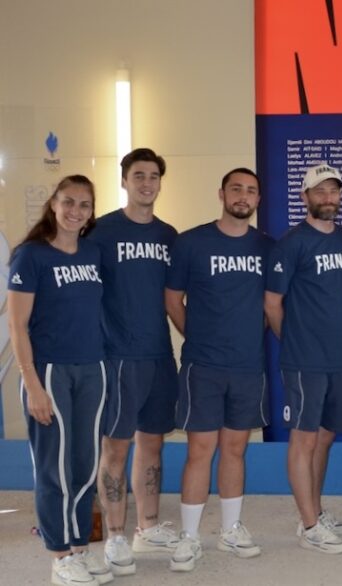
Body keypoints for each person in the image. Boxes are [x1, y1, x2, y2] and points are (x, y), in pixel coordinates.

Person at [164, 168, 274, 571]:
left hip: (247, 366)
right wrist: (199, 337)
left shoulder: (266, 246)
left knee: (235, 449)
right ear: (221, 194)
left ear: (258, 200)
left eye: (251, 191)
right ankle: (189, 537)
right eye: (236, 189)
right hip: (203, 367)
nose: (243, 196)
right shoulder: (192, 242)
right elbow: (173, 299)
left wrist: (246, 335)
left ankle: (230, 530)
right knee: (200, 450)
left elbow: (269, 304)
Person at [8, 175, 110, 585]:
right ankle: (59, 554)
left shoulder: (93, 253)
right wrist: (32, 384)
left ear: (91, 212)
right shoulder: (30, 256)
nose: (75, 211)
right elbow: (17, 326)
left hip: (92, 368)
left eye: (84, 205)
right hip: (48, 370)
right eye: (68, 202)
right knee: (55, 468)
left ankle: (79, 548)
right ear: (53, 203)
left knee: (85, 465)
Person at [87, 148, 180, 575]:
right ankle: (117, 536)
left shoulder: (169, 235)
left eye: (154, 176)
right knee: (116, 447)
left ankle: (147, 526)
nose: (147, 182)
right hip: (119, 357)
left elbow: (174, 297)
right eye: (138, 175)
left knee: (154, 443)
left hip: (160, 354)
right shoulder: (101, 232)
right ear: (124, 180)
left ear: (161, 182)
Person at [265, 163, 342, 554]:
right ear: (305, 197)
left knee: (326, 437)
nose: (328, 198)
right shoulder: (292, 243)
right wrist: (297, 343)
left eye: (333, 191)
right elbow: (272, 305)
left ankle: (315, 512)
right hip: (305, 361)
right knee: (303, 440)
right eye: (320, 192)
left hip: (339, 359)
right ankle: (309, 525)